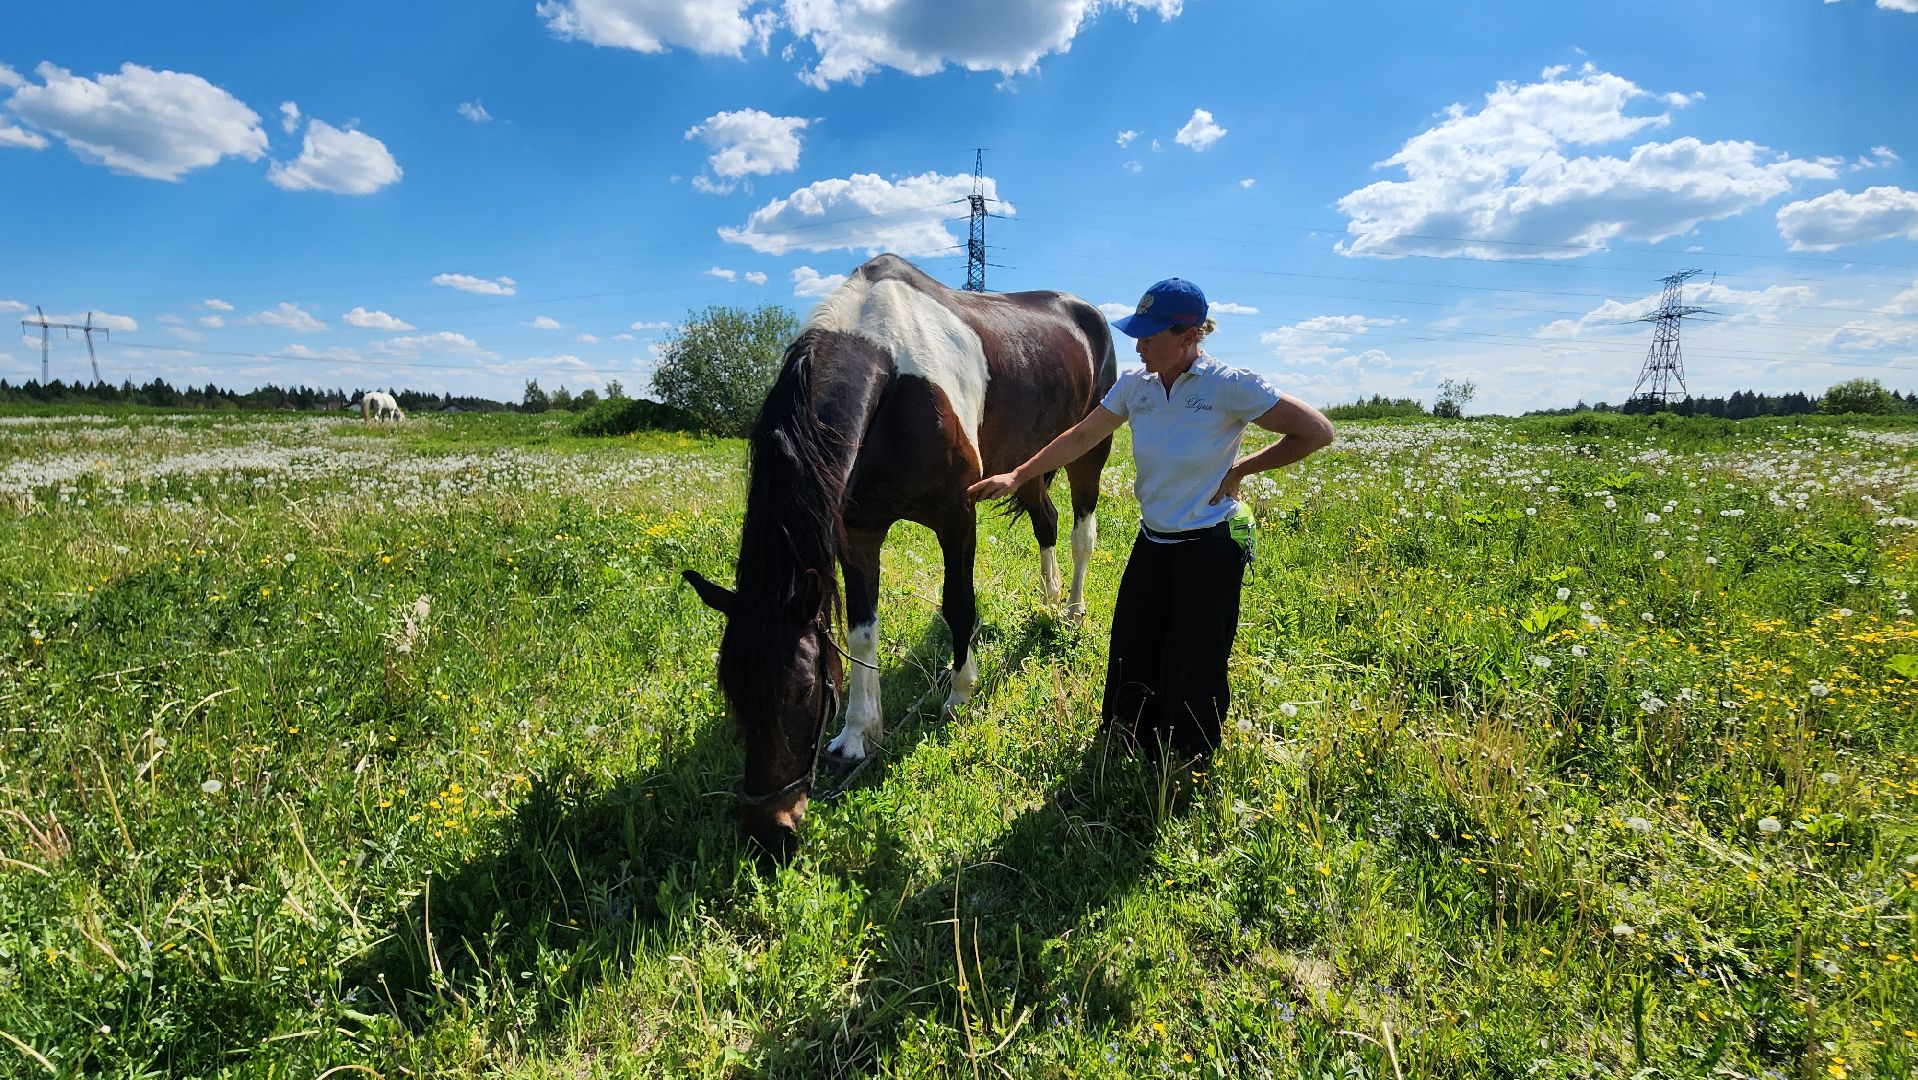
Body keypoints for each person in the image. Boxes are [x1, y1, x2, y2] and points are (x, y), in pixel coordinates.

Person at [968, 277, 1334, 761]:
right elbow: (1080, 436)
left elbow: (1316, 432)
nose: (1137, 346)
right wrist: (1017, 474)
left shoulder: (1229, 385)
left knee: (1194, 657)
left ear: (1189, 336)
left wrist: (1243, 468)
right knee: (1131, 648)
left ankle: (1186, 758)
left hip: (1208, 545)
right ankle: (1128, 738)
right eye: (1135, 335)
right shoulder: (1135, 387)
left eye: (1149, 336)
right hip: (1154, 540)